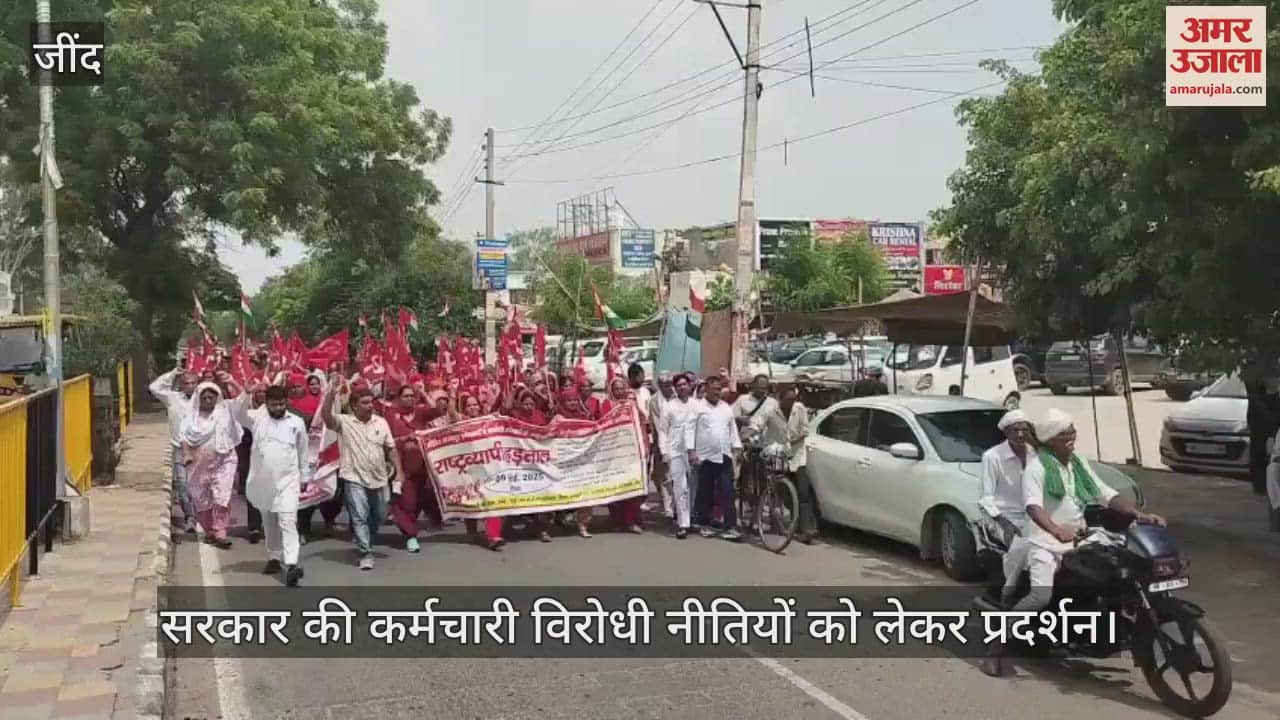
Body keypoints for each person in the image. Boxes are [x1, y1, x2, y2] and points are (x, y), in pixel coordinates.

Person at [1013, 409, 1165, 612]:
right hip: (1045, 542)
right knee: (1041, 596)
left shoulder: (1079, 463)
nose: (1071, 436)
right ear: (1050, 441)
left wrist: (1139, 514)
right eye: (1063, 434)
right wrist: (1056, 530)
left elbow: (1106, 494)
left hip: (1081, 538)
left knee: (1121, 571)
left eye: (1072, 431)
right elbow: (1033, 507)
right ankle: (1010, 627)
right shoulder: (1036, 468)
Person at [320, 375, 405, 570]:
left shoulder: (381, 423)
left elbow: (391, 449)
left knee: (381, 513)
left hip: (379, 478)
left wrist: (399, 472)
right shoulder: (345, 422)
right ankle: (365, 552)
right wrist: (330, 394)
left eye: (371, 402)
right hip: (353, 477)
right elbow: (327, 418)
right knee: (359, 515)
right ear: (354, 406)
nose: (370, 406)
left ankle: (367, 536)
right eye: (365, 403)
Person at [232, 384, 309, 587]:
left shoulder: (297, 422)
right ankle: (274, 557)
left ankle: (292, 564)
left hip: (289, 481)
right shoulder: (257, 419)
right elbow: (237, 414)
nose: (278, 408)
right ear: (266, 403)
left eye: (281, 404)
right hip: (263, 481)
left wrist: (305, 477)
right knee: (270, 521)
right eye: (274, 404)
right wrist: (246, 392)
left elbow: (303, 451)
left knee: (288, 519)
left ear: (287, 402)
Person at [179, 380, 244, 549]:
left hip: (225, 460)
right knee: (202, 500)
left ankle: (220, 531)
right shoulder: (190, 417)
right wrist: (186, 454)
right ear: (198, 398)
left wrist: (233, 382)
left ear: (217, 396)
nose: (208, 398)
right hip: (197, 463)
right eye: (204, 396)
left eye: (212, 395)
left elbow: (242, 400)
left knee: (221, 496)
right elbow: (184, 437)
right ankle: (209, 531)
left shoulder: (226, 412)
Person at [978, 409, 1033, 603]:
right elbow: (986, 497)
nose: (1020, 434)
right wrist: (1004, 523)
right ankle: (1008, 592)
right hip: (1005, 516)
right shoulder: (992, 457)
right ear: (1006, 432)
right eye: (1015, 430)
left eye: (1024, 430)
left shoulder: (1036, 454)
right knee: (1022, 546)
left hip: (1035, 515)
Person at [385, 383, 439, 553]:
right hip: (401, 466)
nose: (409, 399)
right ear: (399, 398)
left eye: (411, 396)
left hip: (422, 467)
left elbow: (436, 410)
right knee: (407, 502)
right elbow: (387, 440)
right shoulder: (391, 415)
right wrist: (405, 439)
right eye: (405, 396)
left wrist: (423, 392)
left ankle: (409, 526)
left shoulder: (421, 413)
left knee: (419, 502)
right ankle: (411, 536)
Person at [687, 376, 743, 541]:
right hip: (705, 456)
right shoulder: (698, 407)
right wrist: (691, 451)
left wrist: (737, 448)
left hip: (724, 455)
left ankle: (730, 526)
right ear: (707, 389)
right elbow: (689, 430)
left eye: (719, 389)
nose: (717, 392)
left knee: (727, 492)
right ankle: (705, 523)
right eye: (714, 389)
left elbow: (732, 430)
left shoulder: (725, 407)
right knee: (705, 491)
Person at [149, 366, 198, 532]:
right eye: (186, 383)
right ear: (181, 385)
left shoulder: (205, 399)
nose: (190, 386)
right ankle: (190, 517)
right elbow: (154, 388)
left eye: (193, 383)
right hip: (180, 449)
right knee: (183, 486)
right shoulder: (173, 398)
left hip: (201, 449)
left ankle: (207, 518)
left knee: (201, 487)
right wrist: (173, 374)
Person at [603, 376, 643, 533]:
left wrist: (633, 407)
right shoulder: (606, 404)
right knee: (615, 486)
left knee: (631, 486)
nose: (619, 392)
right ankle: (616, 519)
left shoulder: (631, 404)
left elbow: (642, 422)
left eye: (621, 388)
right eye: (616, 389)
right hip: (613, 452)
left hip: (631, 450)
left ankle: (631, 520)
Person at [777, 386, 815, 544]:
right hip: (779, 454)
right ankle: (795, 523)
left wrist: (793, 441)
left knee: (803, 491)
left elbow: (805, 430)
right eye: (788, 399)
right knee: (784, 491)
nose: (791, 402)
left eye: (793, 399)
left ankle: (807, 528)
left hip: (797, 454)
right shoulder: (773, 410)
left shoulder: (799, 409)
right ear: (781, 399)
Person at [661, 374, 698, 538]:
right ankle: (683, 524)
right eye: (679, 385)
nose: (682, 387)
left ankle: (692, 518)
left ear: (689, 386)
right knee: (680, 486)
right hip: (675, 449)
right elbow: (663, 430)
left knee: (694, 486)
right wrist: (664, 452)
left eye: (685, 384)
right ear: (675, 388)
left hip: (694, 450)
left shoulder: (697, 405)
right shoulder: (669, 406)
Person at [649, 373, 675, 520]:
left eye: (671, 384)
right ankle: (668, 508)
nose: (669, 388)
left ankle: (676, 507)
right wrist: (662, 447)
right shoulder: (654, 401)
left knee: (676, 477)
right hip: (662, 442)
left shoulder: (677, 397)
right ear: (659, 386)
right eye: (666, 385)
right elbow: (659, 426)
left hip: (679, 443)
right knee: (664, 477)